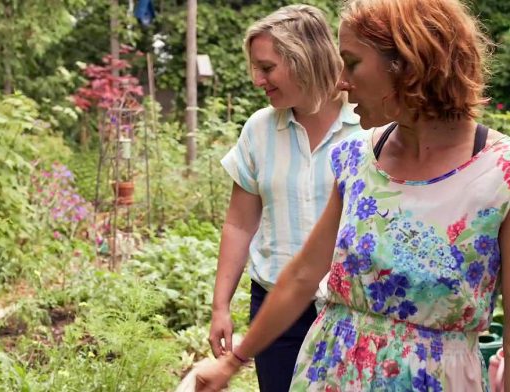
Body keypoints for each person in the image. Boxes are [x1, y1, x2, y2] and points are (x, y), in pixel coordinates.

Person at [197, 0, 510, 390]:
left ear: (408, 64)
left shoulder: (500, 173)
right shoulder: (357, 156)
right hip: (331, 373)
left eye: (352, 62)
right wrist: (233, 361)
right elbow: (302, 275)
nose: (341, 80)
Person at [208, 5, 361, 391]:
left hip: (354, 310)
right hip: (277, 311)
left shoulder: (370, 126)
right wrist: (220, 306)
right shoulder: (259, 130)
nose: (258, 80)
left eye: (267, 67)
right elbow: (239, 223)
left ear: (303, 59)